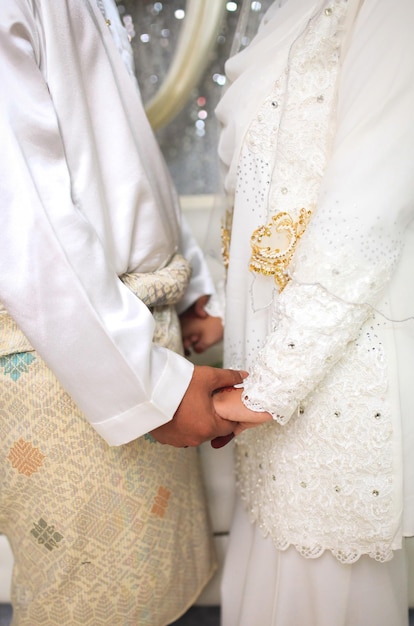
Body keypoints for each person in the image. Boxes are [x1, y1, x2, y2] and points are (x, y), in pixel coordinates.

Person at [0, 1, 244, 624]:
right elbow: (30, 232)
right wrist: (150, 387)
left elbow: (126, 158)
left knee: (150, 590)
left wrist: (192, 292)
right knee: (86, 599)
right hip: (68, 355)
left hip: (136, 326)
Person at [182, 0, 414, 624]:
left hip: (333, 368)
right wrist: (230, 320)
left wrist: (269, 389)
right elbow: (265, 191)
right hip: (269, 360)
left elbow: (365, 212)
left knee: (323, 587)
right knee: (269, 570)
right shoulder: (284, 12)